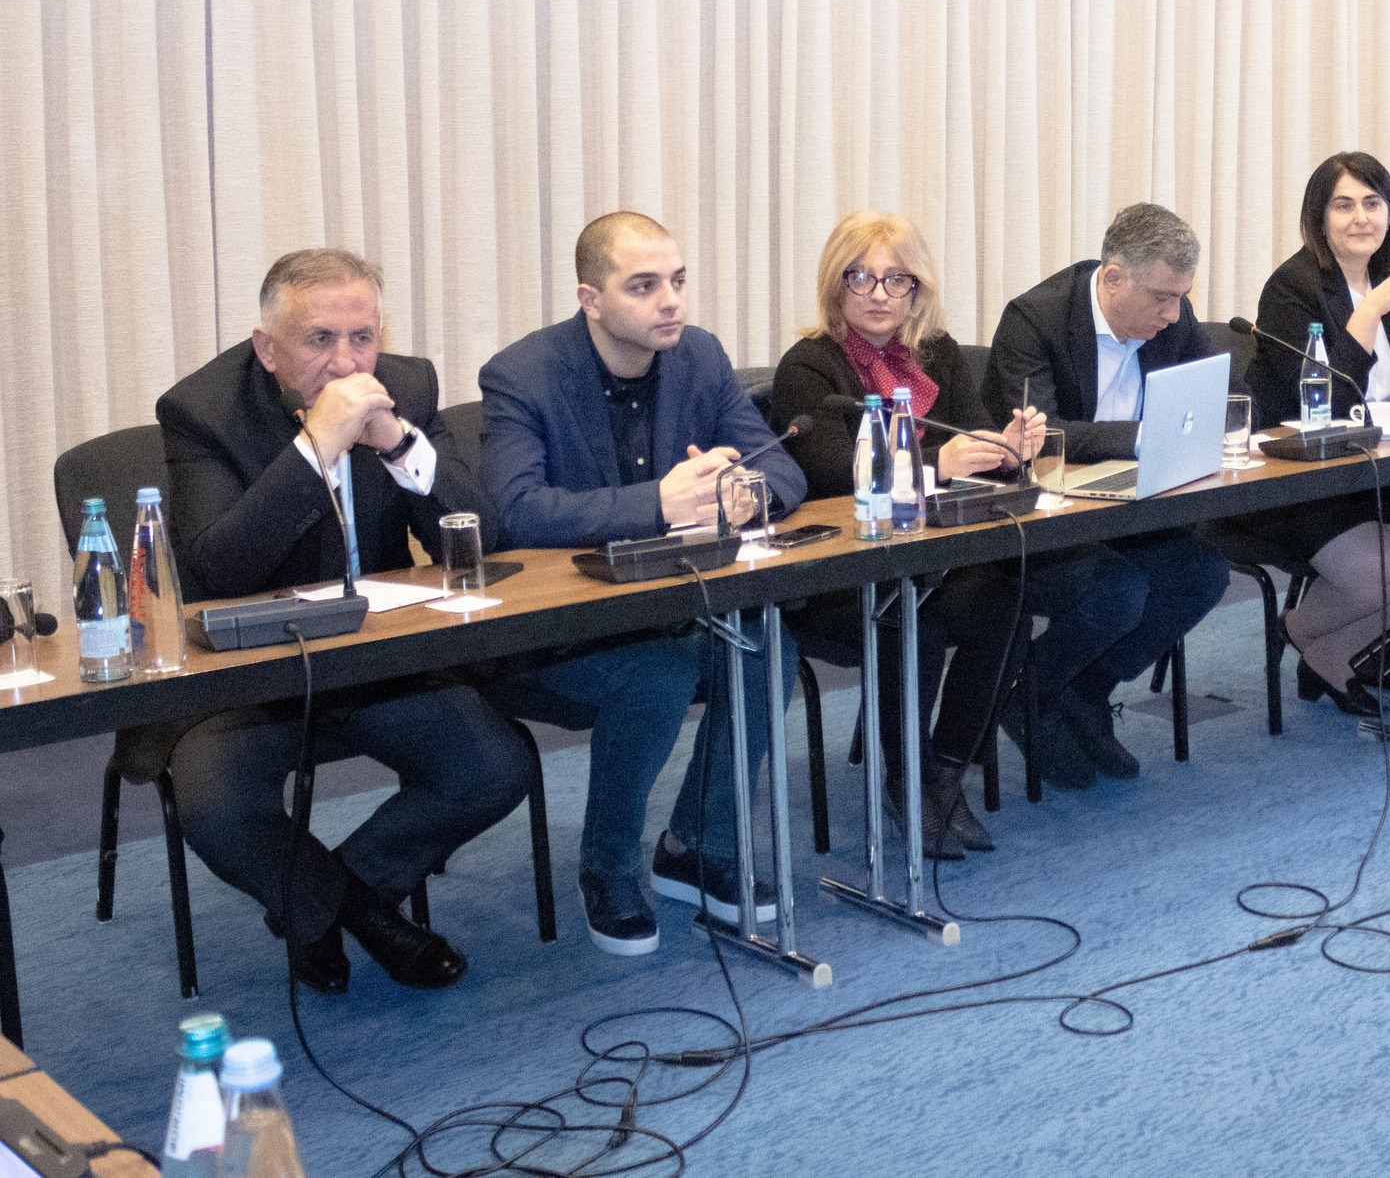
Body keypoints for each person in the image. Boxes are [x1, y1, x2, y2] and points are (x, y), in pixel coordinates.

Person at [156, 248, 532, 994]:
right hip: (253, 674)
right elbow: (217, 573)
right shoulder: (201, 413)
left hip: (377, 657)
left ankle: (335, 904)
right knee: (213, 802)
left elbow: (481, 536)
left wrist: (398, 443)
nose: (346, 362)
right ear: (268, 348)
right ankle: (349, 916)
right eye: (319, 340)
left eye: (362, 337)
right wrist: (315, 447)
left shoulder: (407, 385)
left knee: (496, 766)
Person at [478, 211, 802, 956]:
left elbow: (781, 467)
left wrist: (743, 494)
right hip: (559, 630)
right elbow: (513, 512)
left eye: (678, 281)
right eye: (644, 286)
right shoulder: (522, 375)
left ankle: (695, 845)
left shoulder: (700, 357)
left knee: (767, 647)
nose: (671, 302)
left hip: (670, 609)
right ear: (590, 299)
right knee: (658, 674)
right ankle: (608, 865)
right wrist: (659, 502)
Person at [771, 211, 1050, 856]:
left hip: (932, 558)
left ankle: (947, 770)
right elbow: (831, 474)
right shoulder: (809, 367)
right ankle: (907, 778)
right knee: (911, 619)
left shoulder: (936, 354)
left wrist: (1007, 447)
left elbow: (971, 436)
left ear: (917, 289)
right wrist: (934, 466)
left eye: (897, 280)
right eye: (861, 277)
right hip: (844, 574)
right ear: (835, 282)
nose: (879, 295)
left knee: (1008, 592)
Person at [982, 203, 1233, 780]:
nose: (1174, 314)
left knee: (1202, 573)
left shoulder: (1172, 316)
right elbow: (1042, 436)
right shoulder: (1033, 320)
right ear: (1114, 277)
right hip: (1045, 526)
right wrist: (1144, 436)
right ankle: (1030, 693)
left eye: (1181, 297)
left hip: (1132, 511)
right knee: (1118, 591)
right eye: (1162, 298)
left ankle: (1082, 692)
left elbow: (1227, 395)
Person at [1239, 153, 1390, 718]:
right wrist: (1372, 309)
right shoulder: (1291, 288)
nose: (1361, 217)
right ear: (1319, 217)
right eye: (1344, 205)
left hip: (1383, 470)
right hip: (1304, 480)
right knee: (1388, 574)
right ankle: (1298, 628)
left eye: (1372, 203)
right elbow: (1324, 403)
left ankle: (1328, 653)